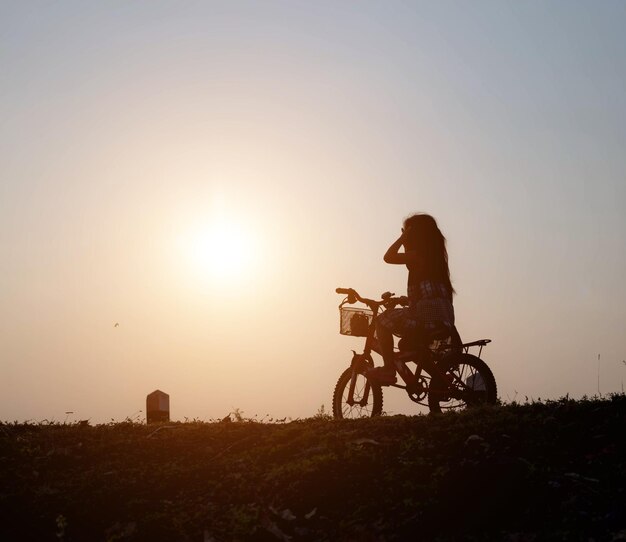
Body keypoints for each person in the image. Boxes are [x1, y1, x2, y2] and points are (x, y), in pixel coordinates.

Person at [367, 213, 455, 385]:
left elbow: (388, 257)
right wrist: (405, 300)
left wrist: (402, 237)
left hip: (425, 319)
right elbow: (430, 293)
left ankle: (388, 369)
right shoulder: (436, 261)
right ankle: (440, 377)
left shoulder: (418, 255)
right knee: (407, 346)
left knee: (381, 320)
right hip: (442, 319)